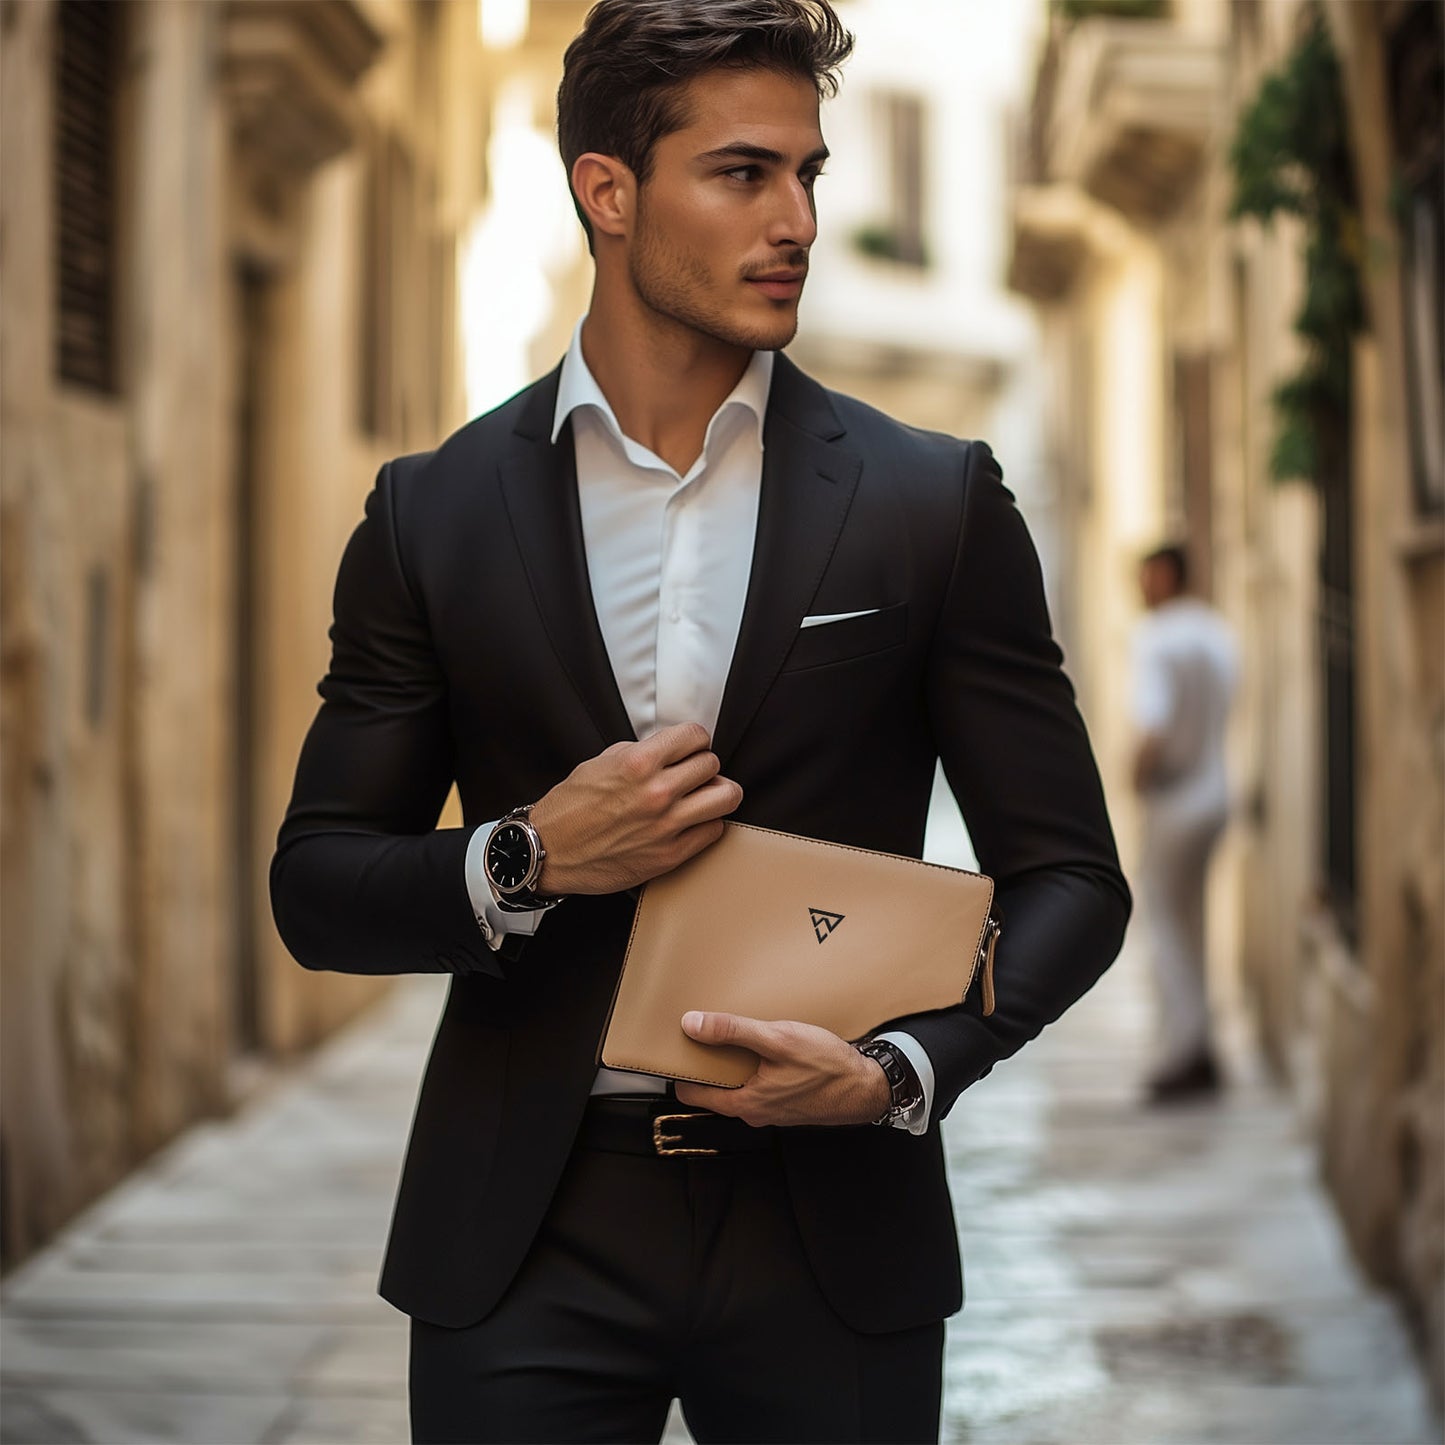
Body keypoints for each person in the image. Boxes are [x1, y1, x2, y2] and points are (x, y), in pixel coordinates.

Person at [270, 3, 1130, 1440]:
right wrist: (523, 857)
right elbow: (316, 885)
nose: (795, 216)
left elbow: (1073, 879)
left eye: (810, 173)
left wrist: (904, 1071)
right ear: (607, 192)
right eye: (743, 173)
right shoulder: (434, 514)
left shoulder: (931, 502)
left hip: (833, 1228)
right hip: (524, 1231)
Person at [1130, 543, 1238, 1104]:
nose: (1141, 587)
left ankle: (1182, 1053)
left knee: (1168, 925)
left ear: (1166, 576)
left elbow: (1154, 724)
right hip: (1217, 792)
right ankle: (1203, 1046)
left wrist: (1134, 775)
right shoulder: (1215, 630)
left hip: (1174, 799)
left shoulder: (1156, 637)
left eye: (1147, 576)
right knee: (1193, 922)